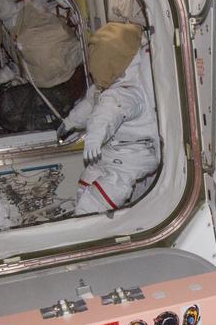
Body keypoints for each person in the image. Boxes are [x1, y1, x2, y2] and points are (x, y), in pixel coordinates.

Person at [56, 22, 159, 214]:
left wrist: (94, 138)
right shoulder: (110, 85)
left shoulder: (127, 93)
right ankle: (81, 215)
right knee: (87, 180)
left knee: (100, 197)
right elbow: (90, 105)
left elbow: (106, 115)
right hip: (111, 150)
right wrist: (70, 122)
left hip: (132, 155)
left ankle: (87, 225)